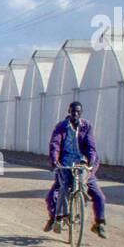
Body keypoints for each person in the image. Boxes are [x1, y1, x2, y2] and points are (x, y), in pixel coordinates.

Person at [45, 101, 108, 238]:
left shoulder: (86, 127)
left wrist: (91, 162)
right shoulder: (61, 127)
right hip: (66, 166)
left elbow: (91, 147)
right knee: (54, 194)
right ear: (69, 111)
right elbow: (55, 144)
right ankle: (57, 218)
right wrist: (55, 160)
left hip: (82, 166)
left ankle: (99, 223)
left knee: (99, 196)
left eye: (78, 112)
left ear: (81, 113)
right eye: (73, 111)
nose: (75, 114)